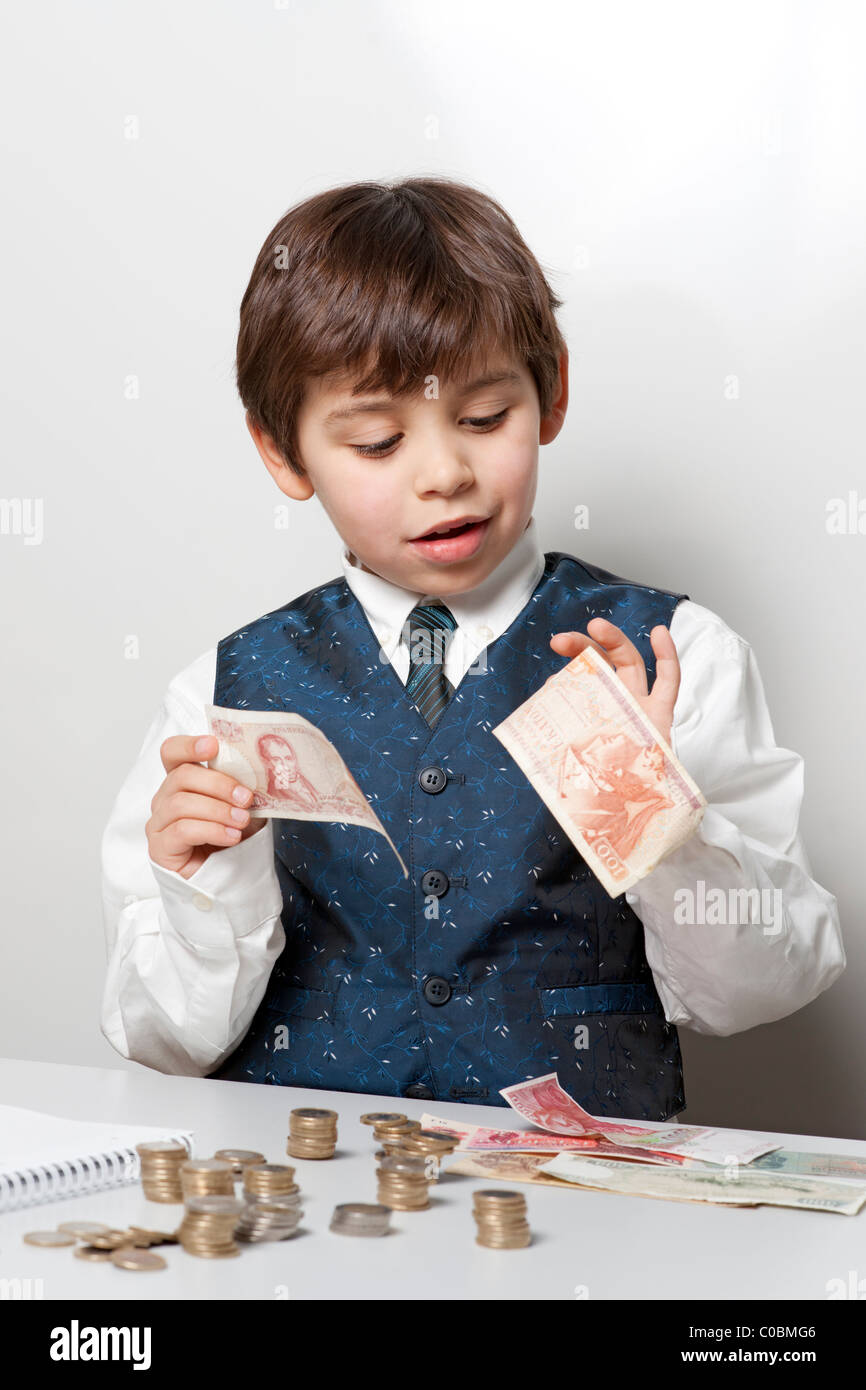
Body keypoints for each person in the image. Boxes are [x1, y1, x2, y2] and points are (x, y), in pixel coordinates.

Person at [100, 177, 845, 1117]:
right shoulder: (222, 693)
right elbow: (164, 1040)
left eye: (486, 420)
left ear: (552, 394)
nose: (445, 474)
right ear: (283, 455)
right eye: (377, 442)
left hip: (593, 1220)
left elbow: (764, 991)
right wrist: (207, 887)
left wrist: (654, 820)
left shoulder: (670, 655)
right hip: (314, 1218)